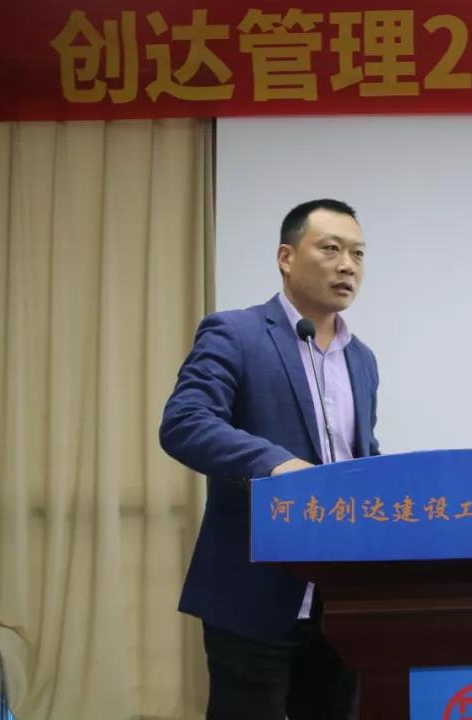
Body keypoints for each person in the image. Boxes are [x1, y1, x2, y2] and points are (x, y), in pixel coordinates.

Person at [160, 198, 379, 720]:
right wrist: (277, 465)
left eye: (358, 254)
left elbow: (361, 452)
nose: (347, 265)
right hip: (254, 593)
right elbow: (185, 422)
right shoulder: (235, 333)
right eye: (331, 249)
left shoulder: (361, 358)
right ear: (286, 257)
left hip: (341, 599)